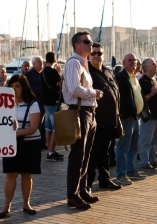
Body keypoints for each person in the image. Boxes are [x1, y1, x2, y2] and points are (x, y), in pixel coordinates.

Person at [62, 31, 102, 209]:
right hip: (79, 112)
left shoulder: (83, 64)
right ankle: (73, 194)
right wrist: (94, 93)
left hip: (88, 111)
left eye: (91, 42)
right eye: (87, 42)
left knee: (86, 154)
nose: (90, 44)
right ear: (77, 44)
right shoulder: (73, 63)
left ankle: (82, 189)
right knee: (78, 155)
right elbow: (73, 89)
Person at [0, 74, 41, 219]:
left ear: (24, 88)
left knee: (26, 174)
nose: (14, 89)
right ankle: (6, 206)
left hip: (30, 143)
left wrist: (15, 133)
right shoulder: (3, 103)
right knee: (10, 174)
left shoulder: (32, 103)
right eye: (12, 86)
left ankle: (26, 203)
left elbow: (33, 127)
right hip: (10, 144)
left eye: (17, 86)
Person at [87, 43, 122, 190]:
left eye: (99, 53)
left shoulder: (107, 71)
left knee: (106, 152)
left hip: (110, 120)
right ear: (89, 55)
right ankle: (87, 185)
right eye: (93, 53)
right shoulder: (87, 72)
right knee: (92, 153)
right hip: (96, 120)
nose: (96, 56)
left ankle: (105, 179)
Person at [115, 53, 147, 184]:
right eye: (130, 60)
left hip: (135, 118)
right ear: (123, 63)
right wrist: (124, 114)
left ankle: (131, 171)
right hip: (127, 119)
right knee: (123, 148)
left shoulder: (134, 76)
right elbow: (118, 98)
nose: (133, 62)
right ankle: (121, 174)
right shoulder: (120, 77)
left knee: (133, 147)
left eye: (134, 60)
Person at [138, 57, 157, 169]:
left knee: (153, 141)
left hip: (156, 115)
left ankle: (152, 160)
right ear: (147, 68)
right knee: (146, 140)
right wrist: (152, 94)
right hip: (147, 116)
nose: (156, 66)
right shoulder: (142, 81)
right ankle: (144, 162)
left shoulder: (155, 80)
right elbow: (141, 99)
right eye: (153, 64)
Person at [40, 52, 64, 162]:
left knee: (48, 127)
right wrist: (59, 73)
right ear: (54, 60)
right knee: (56, 128)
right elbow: (61, 84)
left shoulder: (43, 72)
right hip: (54, 102)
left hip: (45, 102)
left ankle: (50, 150)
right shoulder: (53, 72)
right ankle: (51, 152)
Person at [25, 56, 46, 149]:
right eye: (39, 62)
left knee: (43, 125)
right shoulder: (29, 74)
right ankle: (35, 143)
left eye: (41, 62)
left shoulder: (43, 73)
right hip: (34, 103)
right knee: (36, 124)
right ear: (33, 64)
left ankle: (41, 142)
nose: (41, 63)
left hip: (43, 102)